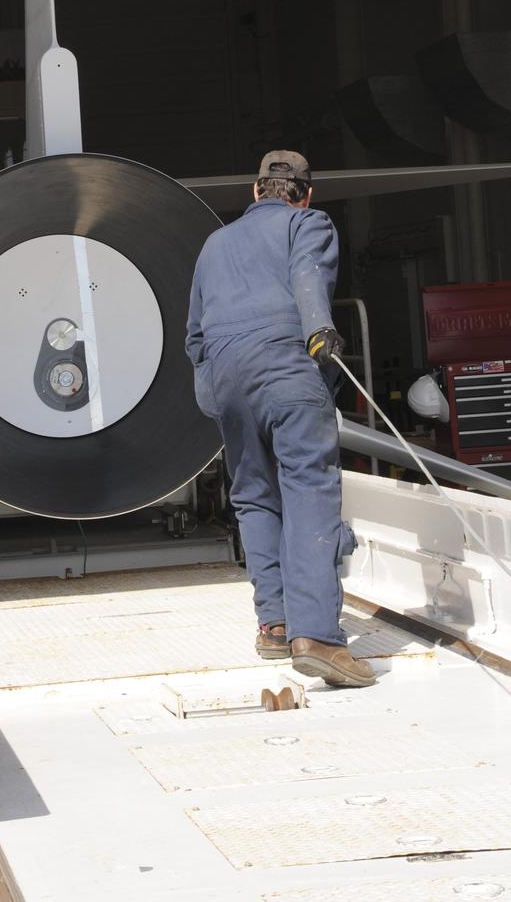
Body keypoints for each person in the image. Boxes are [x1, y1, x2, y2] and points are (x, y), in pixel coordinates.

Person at [185, 150, 375, 689]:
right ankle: (316, 637)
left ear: (255, 191)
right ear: (306, 193)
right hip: (288, 366)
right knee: (309, 488)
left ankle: (275, 623)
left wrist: (214, 394)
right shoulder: (307, 223)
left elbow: (195, 335)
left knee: (253, 495)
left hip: (227, 379)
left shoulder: (213, 244)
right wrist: (318, 331)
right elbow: (307, 276)